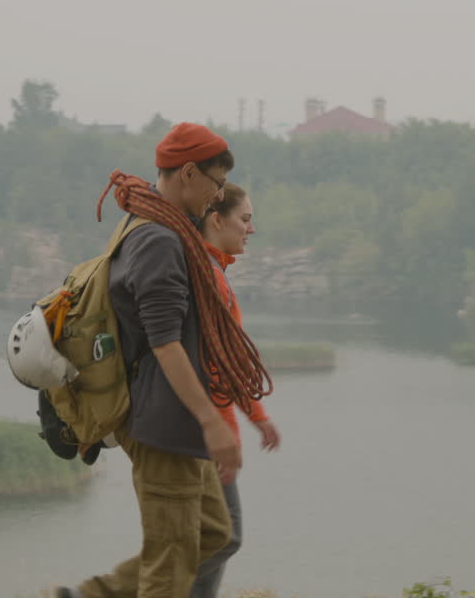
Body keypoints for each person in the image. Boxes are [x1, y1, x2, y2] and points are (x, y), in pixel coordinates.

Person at [57, 122, 265, 598]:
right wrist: (213, 425)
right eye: (215, 184)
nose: (218, 197)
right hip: (162, 421)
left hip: (176, 420)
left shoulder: (160, 223)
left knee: (214, 534)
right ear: (188, 173)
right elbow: (166, 343)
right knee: (169, 568)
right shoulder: (159, 241)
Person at [190, 183, 282, 598]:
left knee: (212, 538)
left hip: (195, 432)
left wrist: (258, 418)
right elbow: (216, 371)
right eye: (245, 219)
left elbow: (229, 363)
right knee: (224, 537)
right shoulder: (209, 279)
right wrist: (227, 435)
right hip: (202, 436)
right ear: (216, 220)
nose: (252, 229)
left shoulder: (209, 272)